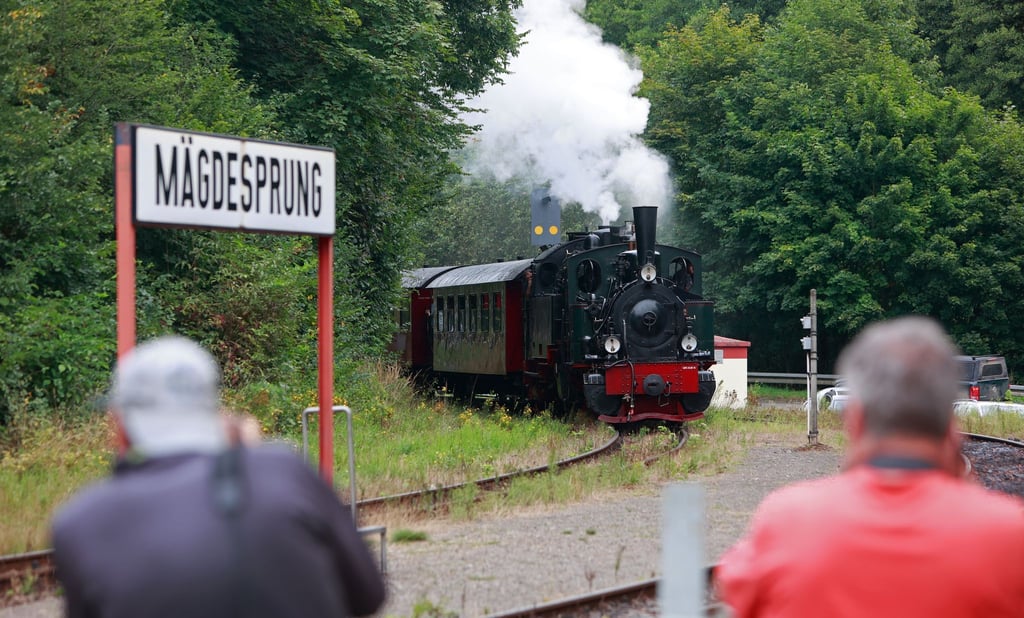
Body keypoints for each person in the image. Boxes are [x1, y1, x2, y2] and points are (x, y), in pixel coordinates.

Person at [51, 336, 386, 618]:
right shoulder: (285, 472)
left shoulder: (79, 523)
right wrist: (250, 457)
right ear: (218, 411)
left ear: (119, 424)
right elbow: (368, 596)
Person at [715, 316, 1024, 618]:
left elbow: (734, 591)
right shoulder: (1011, 535)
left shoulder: (785, 518)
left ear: (856, 421)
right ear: (952, 428)